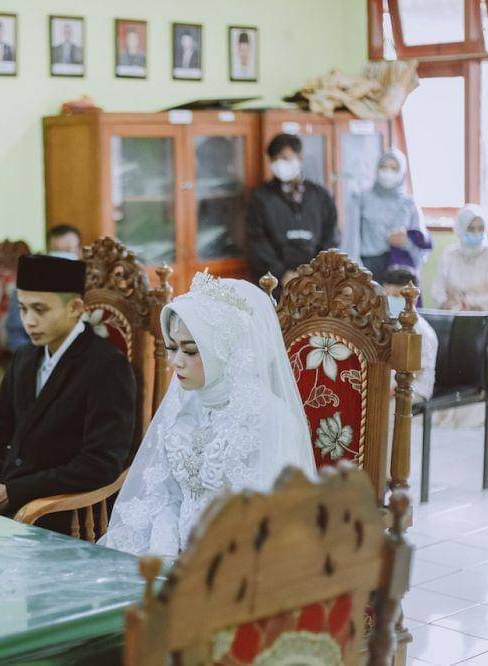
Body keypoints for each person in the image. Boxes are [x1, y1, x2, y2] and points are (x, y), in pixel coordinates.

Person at [100, 273, 316, 558]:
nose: (176, 362)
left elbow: (268, 524)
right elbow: (166, 496)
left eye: (190, 350)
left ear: (225, 350)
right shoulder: (183, 405)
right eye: (172, 348)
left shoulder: (270, 419)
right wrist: (164, 553)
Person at [0, 254, 136, 535]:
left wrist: (12, 492)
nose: (28, 321)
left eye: (40, 310)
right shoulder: (24, 357)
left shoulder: (107, 366)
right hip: (9, 504)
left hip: (59, 513)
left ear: (75, 307)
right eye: (23, 308)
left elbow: (99, 465)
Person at [431, 204, 488, 427]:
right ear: (460, 229)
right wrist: (447, 302)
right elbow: (437, 290)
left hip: (484, 323)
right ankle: (441, 407)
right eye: (471, 228)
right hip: (454, 321)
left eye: (480, 228)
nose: (476, 233)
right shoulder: (449, 255)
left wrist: (469, 302)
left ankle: (475, 411)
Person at [246, 133, 338, 290]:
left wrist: (315, 273)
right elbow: (257, 242)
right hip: (275, 283)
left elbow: (331, 236)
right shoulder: (260, 198)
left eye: (285, 158)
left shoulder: (320, 196)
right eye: (274, 160)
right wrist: (281, 274)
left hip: (315, 284)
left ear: (299, 158)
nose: (279, 164)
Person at [343, 149, 431, 281]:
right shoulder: (361, 199)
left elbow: (422, 247)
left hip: (400, 269)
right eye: (383, 167)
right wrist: (356, 275)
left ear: (402, 172)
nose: (388, 172)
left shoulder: (409, 204)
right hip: (367, 268)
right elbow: (350, 241)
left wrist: (407, 242)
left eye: (394, 168)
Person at [6, 225, 82, 352]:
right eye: (57, 252)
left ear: (79, 252)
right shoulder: (26, 287)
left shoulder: (93, 286)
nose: (63, 259)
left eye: (68, 251)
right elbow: (15, 335)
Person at [383, 269, 436, 403]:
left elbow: (414, 372)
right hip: (388, 382)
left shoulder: (421, 331)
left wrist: (384, 394)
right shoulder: (385, 322)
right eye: (387, 295)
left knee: (385, 410)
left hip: (414, 387)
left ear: (414, 300)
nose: (390, 300)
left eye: (396, 296)